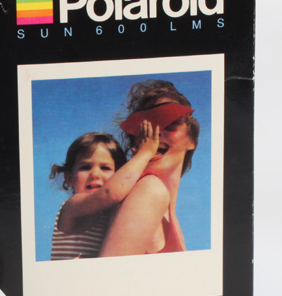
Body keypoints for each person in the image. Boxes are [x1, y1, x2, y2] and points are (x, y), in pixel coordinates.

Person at [100, 80, 200, 256]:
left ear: (191, 140)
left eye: (170, 121)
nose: (155, 132)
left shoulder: (167, 213)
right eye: (145, 127)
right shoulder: (150, 190)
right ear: (135, 145)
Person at [49, 122, 160, 260]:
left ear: (118, 174)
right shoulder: (72, 206)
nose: (95, 174)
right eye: (85, 167)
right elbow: (109, 193)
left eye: (105, 168)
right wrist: (145, 153)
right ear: (69, 178)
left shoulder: (113, 213)